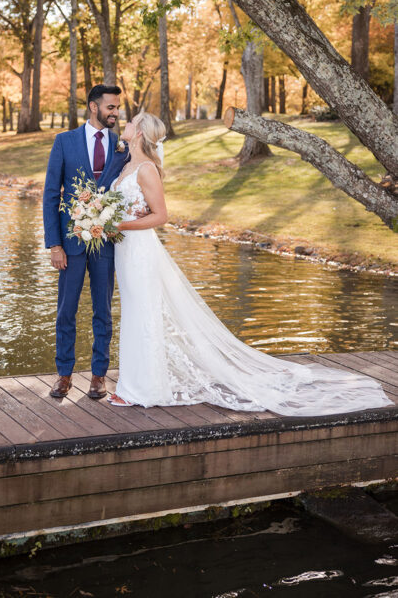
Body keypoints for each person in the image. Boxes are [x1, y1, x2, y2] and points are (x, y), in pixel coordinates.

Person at [107, 112, 393, 415]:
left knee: (143, 314)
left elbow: (161, 216)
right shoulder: (128, 165)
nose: (124, 124)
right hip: (125, 252)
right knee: (134, 312)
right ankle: (137, 383)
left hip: (139, 252)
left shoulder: (147, 169)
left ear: (138, 133)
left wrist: (119, 226)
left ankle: (141, 389)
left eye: (130, 122)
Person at [43, 85, 129, 399]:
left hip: (107, 243)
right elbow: (51, 195)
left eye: (117, 107)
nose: (115, 112)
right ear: (93, 107)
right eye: (110, 107)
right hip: (71, 244)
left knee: (103, 311)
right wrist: (54, 244)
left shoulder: (123, 146)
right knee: (66, 310)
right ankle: (64, 374)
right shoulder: (64, 142)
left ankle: (98, 375)